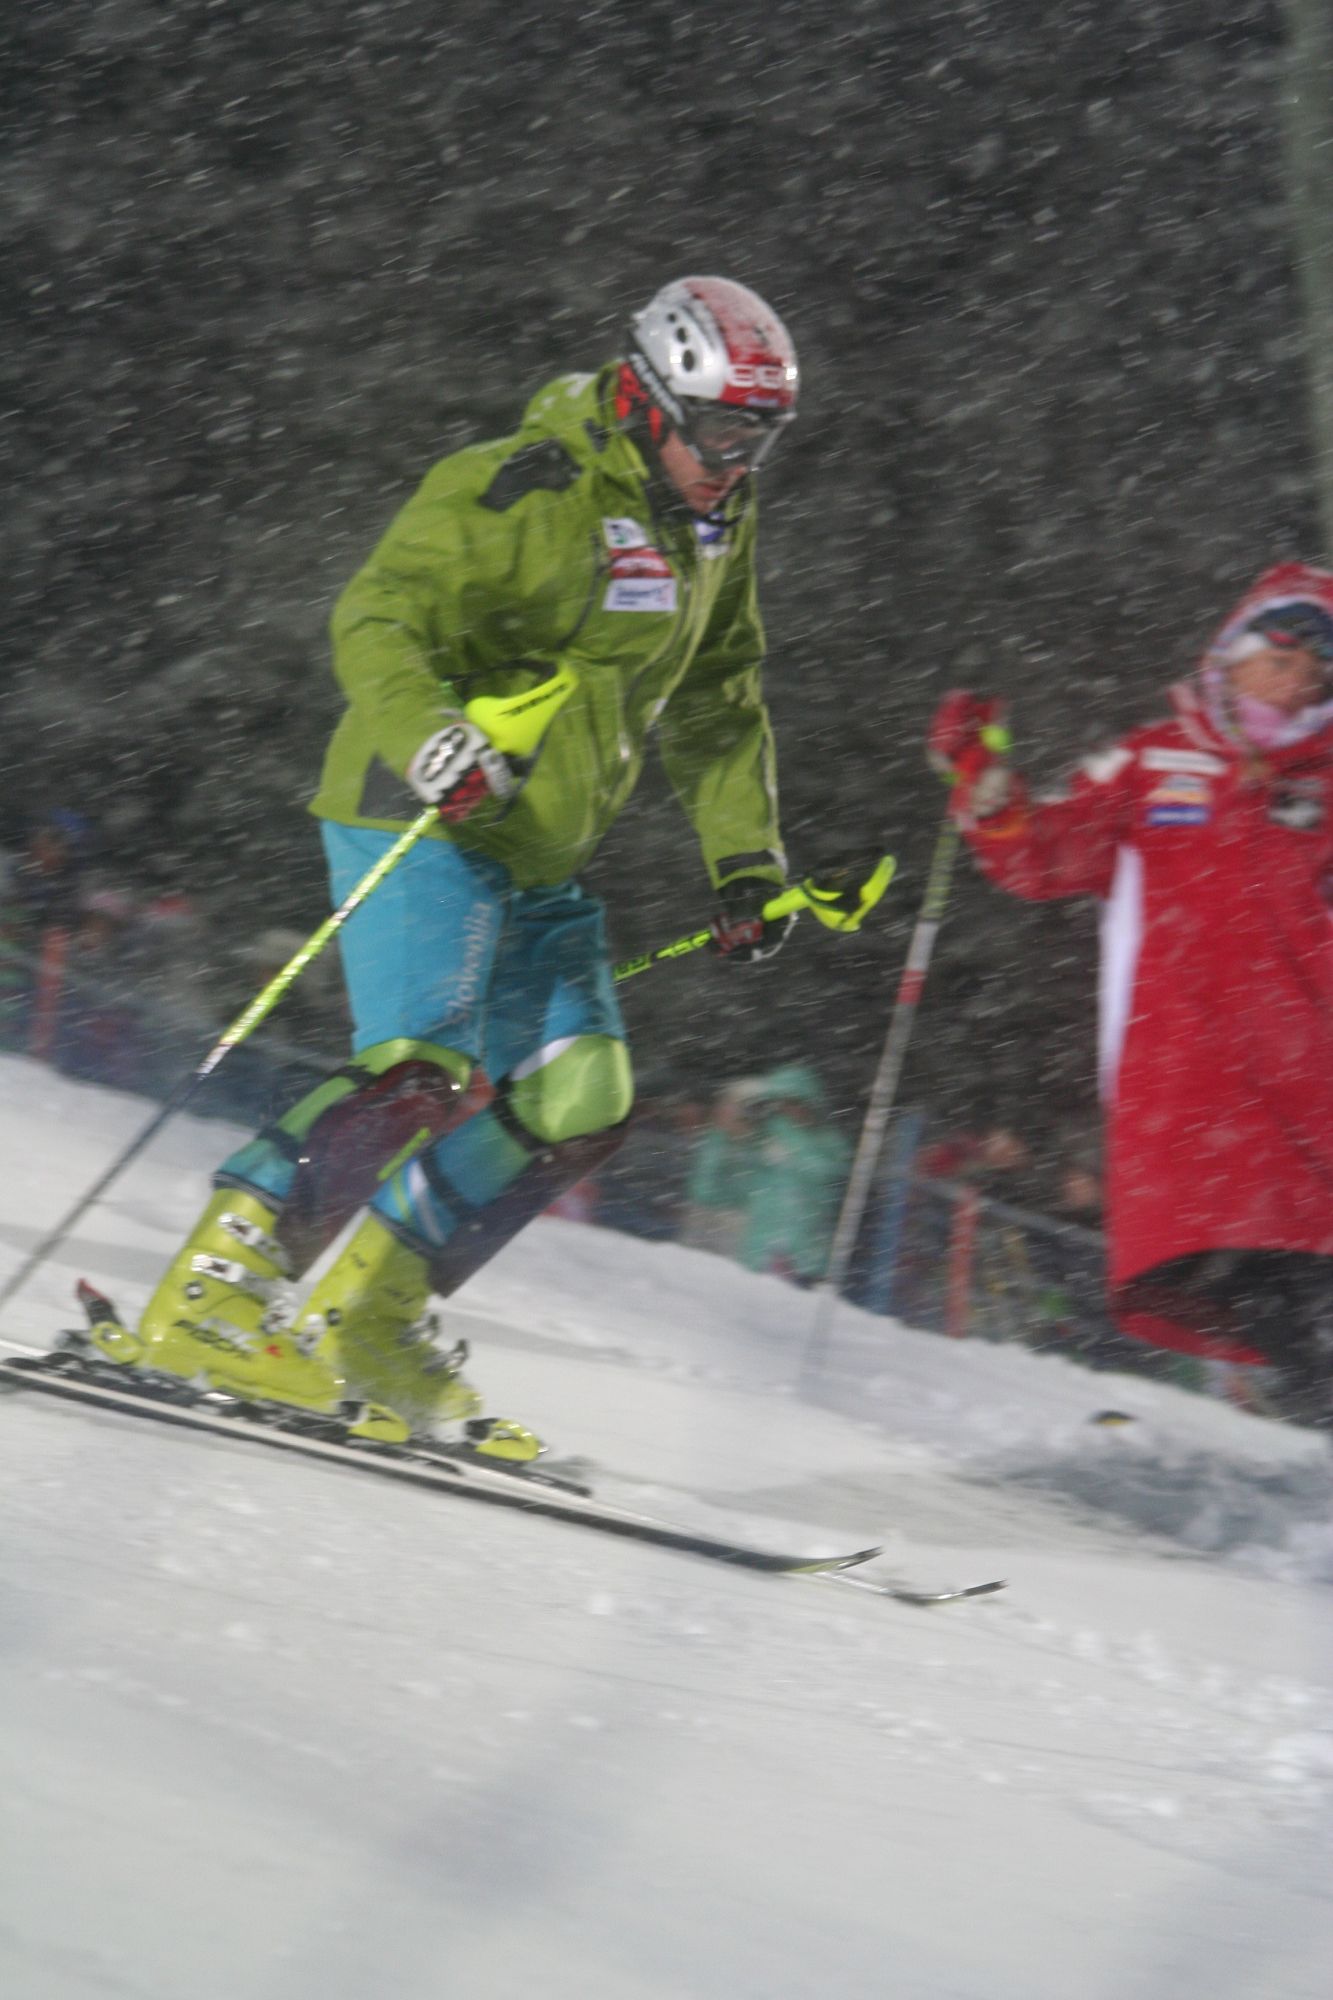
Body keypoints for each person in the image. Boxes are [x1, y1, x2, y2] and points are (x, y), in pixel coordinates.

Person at [92, 275, 821, 1452]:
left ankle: (369, 1320)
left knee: (583, 1098)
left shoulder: (712, 524)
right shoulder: (526, 485)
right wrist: (433, 737)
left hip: (537, 850)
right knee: (415, 1070)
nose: (735, 463)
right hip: (421, 811)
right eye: (719, 432)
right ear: (646, 399)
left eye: (760, 439)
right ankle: (210, 1297)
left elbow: (717, 698)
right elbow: (375, 614)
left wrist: (745, 856)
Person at [928, 561, 1333, 1427]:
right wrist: (982, 781)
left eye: (1314, 670)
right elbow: (1041, 854)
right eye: (1280, 658)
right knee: (1266, 1294)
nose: (1296, 681)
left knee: (1303, 1289)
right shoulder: (1151, 760)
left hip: (1310, 1079)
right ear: (1230, 655)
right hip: (1196, 1085)